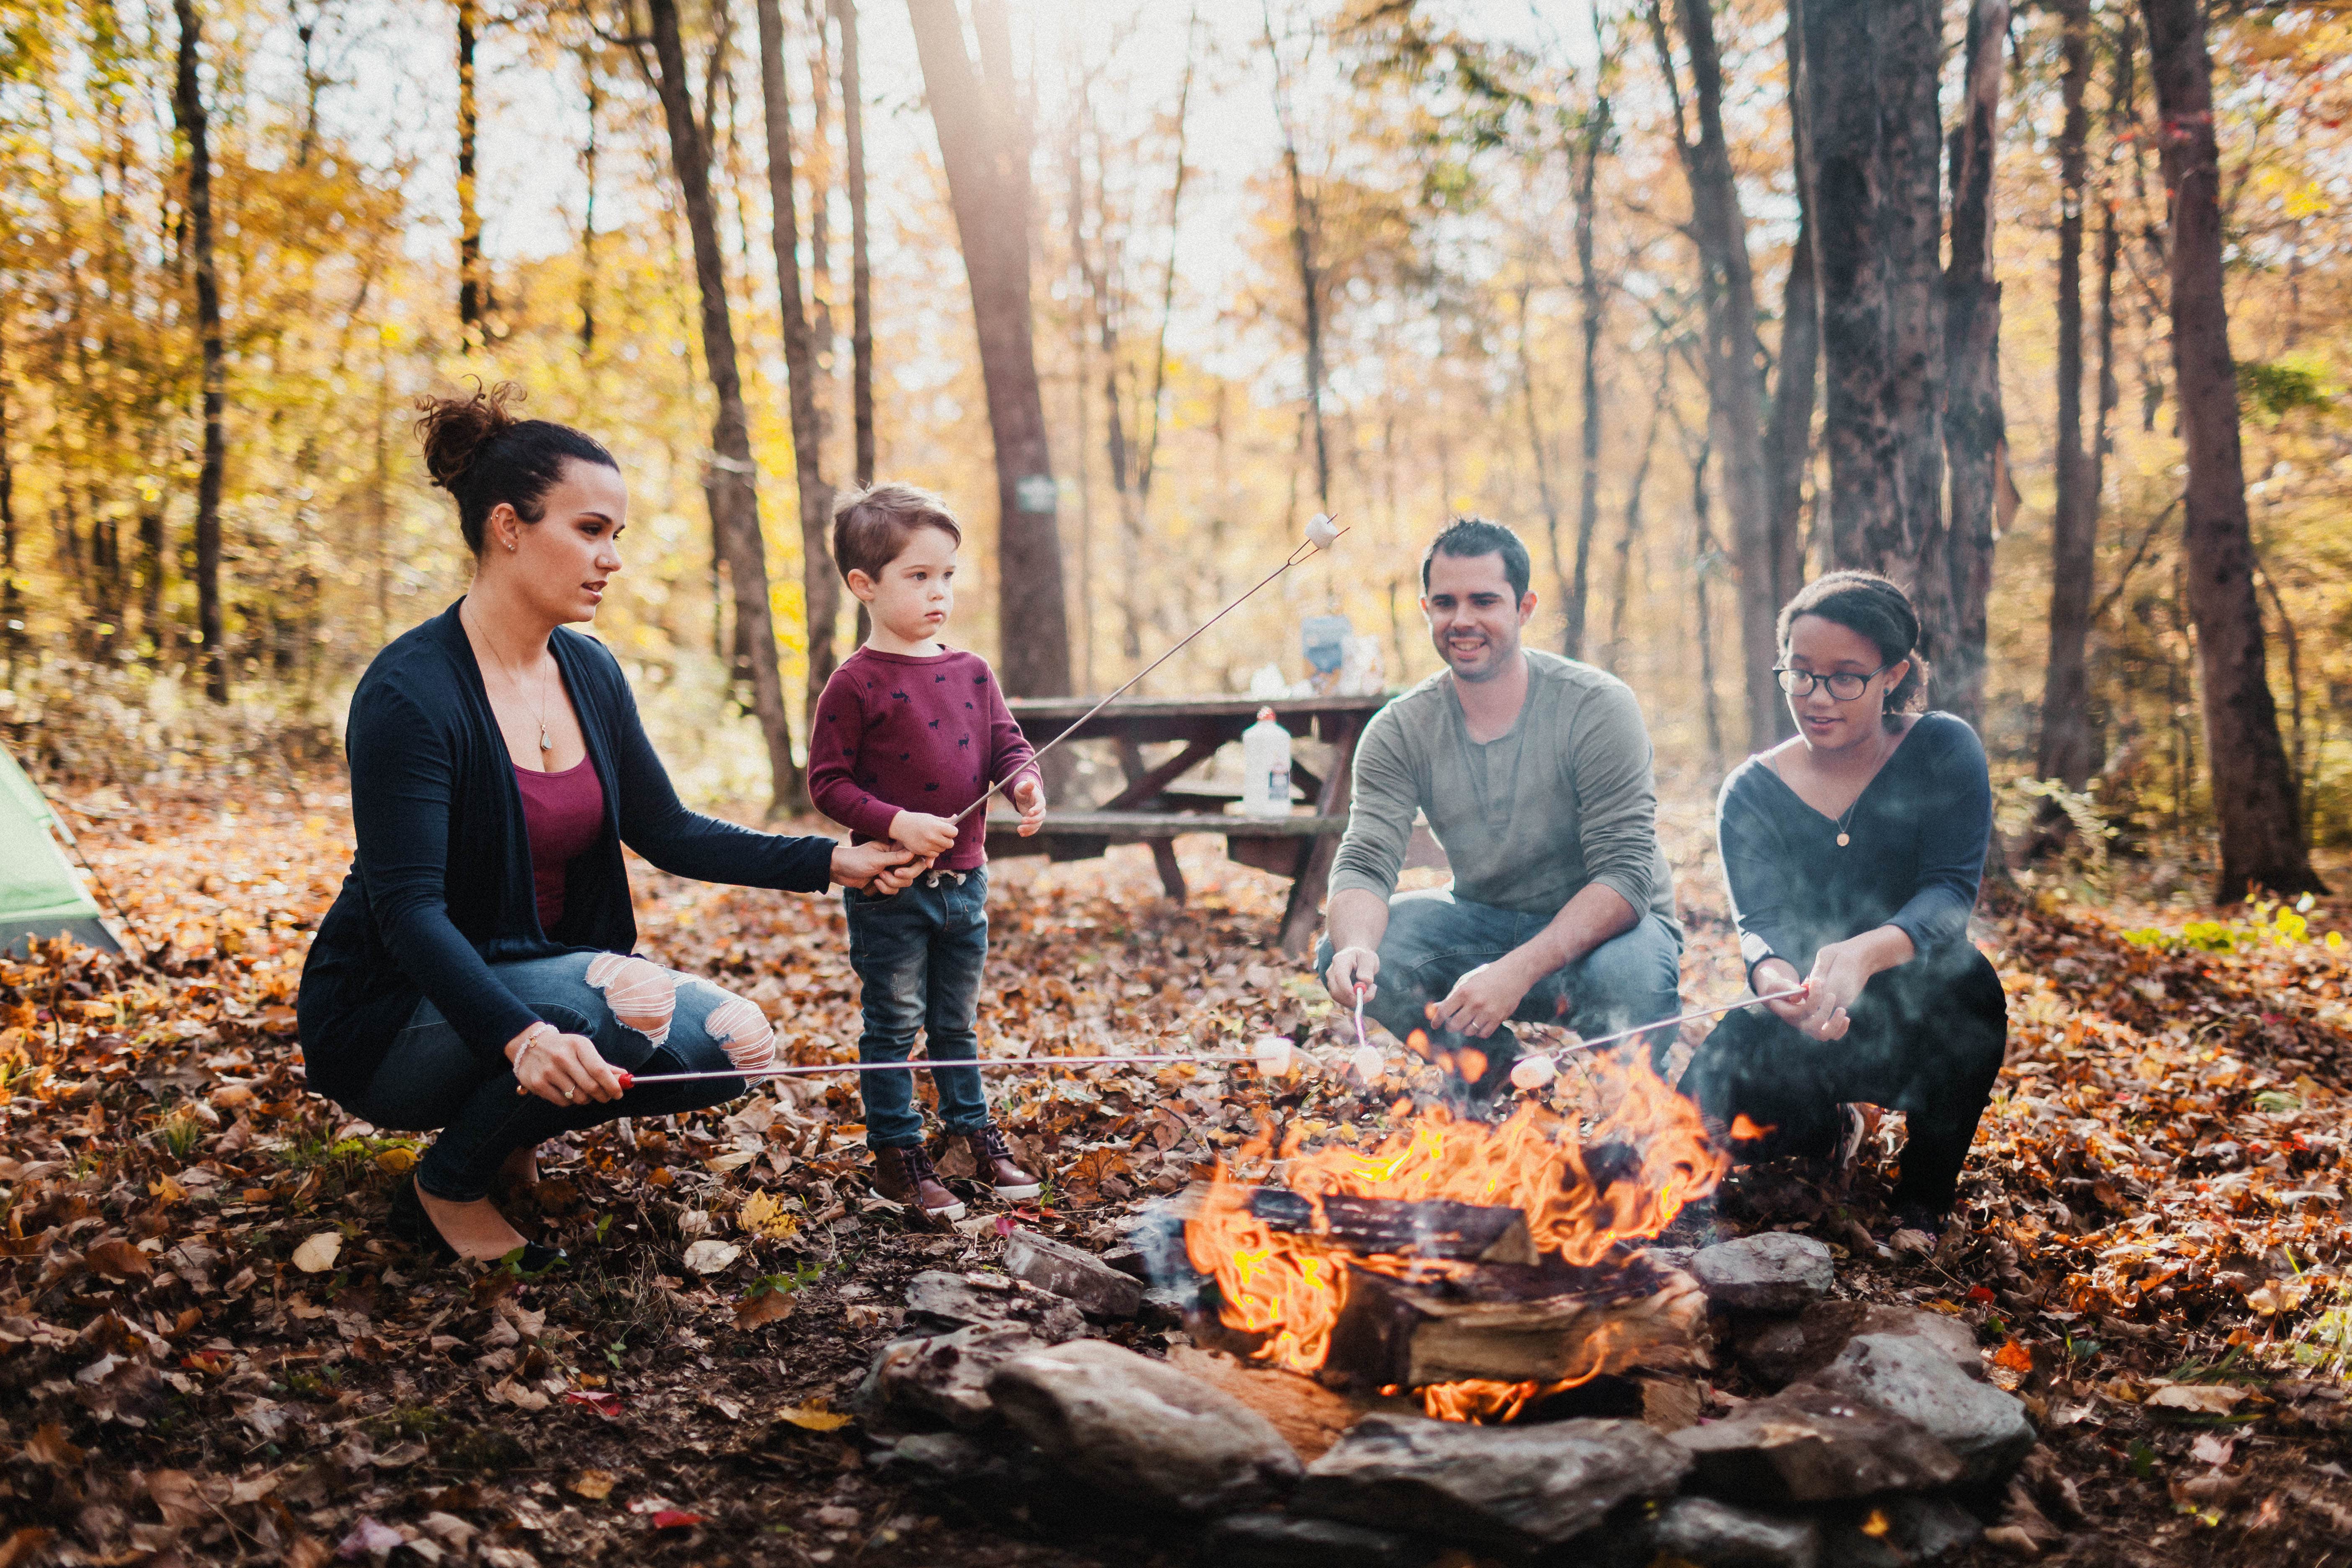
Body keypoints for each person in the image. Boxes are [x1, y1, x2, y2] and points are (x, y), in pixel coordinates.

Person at [297, 383, 917, 1265]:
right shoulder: (411, 694)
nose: (611, 559)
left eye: (615, 536)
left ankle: (507, 1132)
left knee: (739, 1044)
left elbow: (664, 829)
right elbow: (409, 913)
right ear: (508, 528)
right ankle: (448, 1183)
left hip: (548, 980)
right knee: (626, 1003)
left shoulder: (588, 671)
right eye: (590, 531)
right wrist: (524, 1036)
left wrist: (834, 861)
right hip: (390, 1019)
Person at [1679, 571, 2007, 1237]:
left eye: (1845, 677)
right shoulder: (1751, 792)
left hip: (1924, 1011)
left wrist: (1864, 953)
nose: (1817, 698)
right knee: (1707, 1113)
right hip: (1809, 1013)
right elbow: (1759, 927)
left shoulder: (1942, 749)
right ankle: (1830, 1129)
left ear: (1895, 674)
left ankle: (1923, 1197)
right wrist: (1774, 985)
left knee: (1974, 994)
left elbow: (1950, 895)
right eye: (1800, 675)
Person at [1318, 517, 1682, 1103]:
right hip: (1482, 921)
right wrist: (1356, 941)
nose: (1463, 620)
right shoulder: (1399, 729)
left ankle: (1637, 1109)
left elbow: (1627, 876)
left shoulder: (1597, 707)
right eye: (1445, 603)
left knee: (1631, 976)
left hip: (1610, 933)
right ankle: (1494, 1075)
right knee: (1351, 948)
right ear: (1426, 609)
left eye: (1484, 600)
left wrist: (1516, 972)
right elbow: (1366, 857)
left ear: (1525, 607)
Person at [807, 483, 1049, 1222]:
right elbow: (828, 783)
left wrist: (1025, 782)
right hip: (890, 888)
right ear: (865, 586)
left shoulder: (972, 671)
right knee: (893, 1021)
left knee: (955, 1020)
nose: (938, 592)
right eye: (918, 577)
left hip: (965, 884)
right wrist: (896, 821)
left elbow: (1006, 741)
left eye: (947, 574)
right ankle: (897, 1152)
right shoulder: (855, 683)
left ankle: (970, 1130)